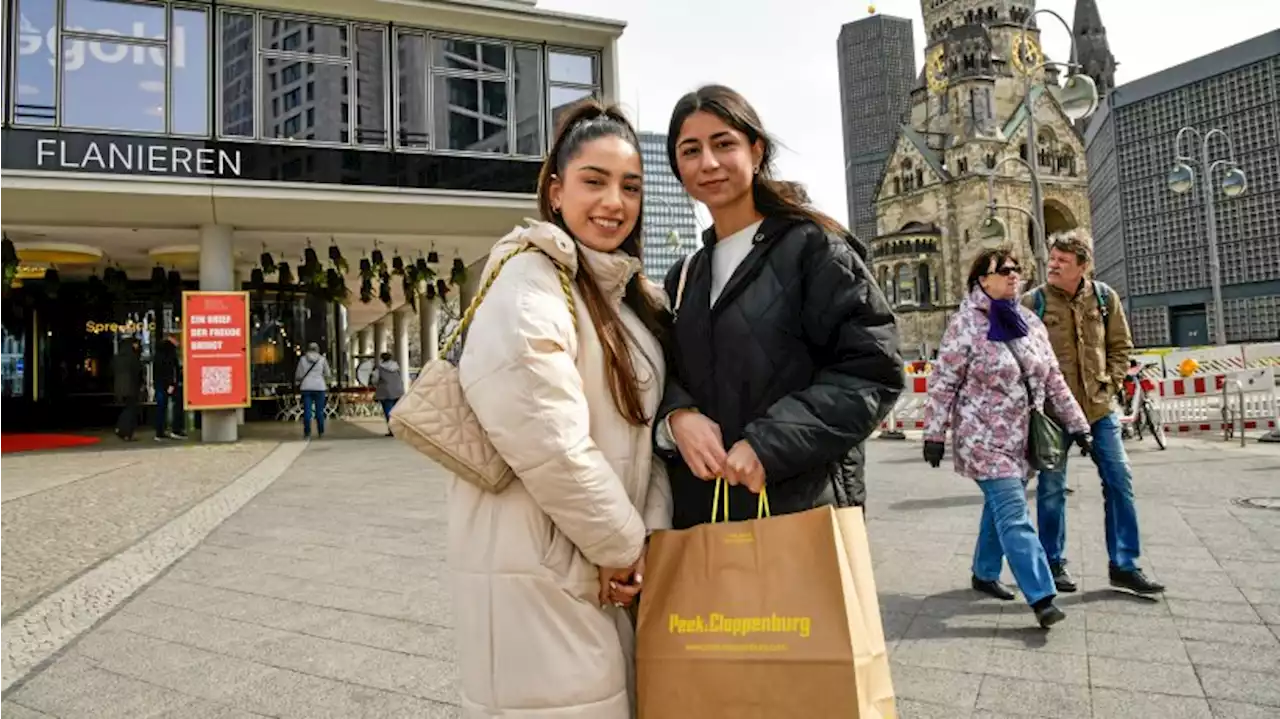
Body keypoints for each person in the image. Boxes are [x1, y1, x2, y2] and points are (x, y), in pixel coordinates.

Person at [452, 100, 672, 718]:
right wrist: (624, 547)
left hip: (599, 566)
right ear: (555, 191)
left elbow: (644, 433)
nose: (614, 202)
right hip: (539, 569)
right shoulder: (529, 282)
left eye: (630, 186)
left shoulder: (621, 294)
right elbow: (549, 439)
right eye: (594, 182)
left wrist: (638, 543)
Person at [655, 84, 902, 529]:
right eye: (690, 150)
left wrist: (769, 444)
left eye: (723, 144)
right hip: (704, 517)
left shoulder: (814, 250)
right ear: (677, 166)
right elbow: (664, 370)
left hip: (800, 511)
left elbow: (873, 371)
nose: (707, 163)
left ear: (756, 149)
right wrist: (678, 416)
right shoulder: (684, 275)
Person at [922, 248, 1092, 628]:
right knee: (1014, 513)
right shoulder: (964, 324)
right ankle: (1042, 596)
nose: (1014, 275)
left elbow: (1053, 379)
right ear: (983, 279)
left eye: (1017, 269)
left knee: (999, 507)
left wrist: (1079, 426)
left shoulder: (1029, 321)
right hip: (981, 436)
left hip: (1022, 437)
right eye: (1005, 270)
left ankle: (984, 572)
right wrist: (934, 433)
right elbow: (942, 384)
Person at [1023, 231, 1165, 595]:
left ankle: (1124, 564)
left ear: (1083, 265)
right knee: (1052, 489)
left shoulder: (1105, 297)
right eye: (1051, 258)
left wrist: (1112, 384)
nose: (1052, 265)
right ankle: (1053, 564)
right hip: (1054, 414)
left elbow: (1120, 346)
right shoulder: (1033, 302)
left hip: (1100, 410)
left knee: (1120, 483)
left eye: (1062, 261)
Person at [153, 333, 186, 440]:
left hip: (159, 383)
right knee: (177, 405)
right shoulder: (169, 352)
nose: (179, 343)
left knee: (161, 408)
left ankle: (160, 432)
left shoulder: (159, 352)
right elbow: (170, 369)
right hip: (168, 384)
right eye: (177, 340)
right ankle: (176, 429)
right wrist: (171, 383)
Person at [295, 342, 331, 440]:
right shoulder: (322, 359)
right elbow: (328, 374)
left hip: (306, 387)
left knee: (307, 411)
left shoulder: (302, 359)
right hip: (319, 387)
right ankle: (321, 432)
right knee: (319, 411)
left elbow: (298, 375)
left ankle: (307, 433)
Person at [114, 337, 144, 441]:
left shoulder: (118, 357)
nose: (137, 346)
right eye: (135, 344)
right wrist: (141, 384)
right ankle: (124, 430)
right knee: (131, 409)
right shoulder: (133, 357)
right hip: (132, 386)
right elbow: (138, 372)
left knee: (127, 408)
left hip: (121, 387)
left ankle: (123, 431)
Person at [370, 351, 404, 437]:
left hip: (386, 391)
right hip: (398, 390)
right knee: (396, 411)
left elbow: (375, 380)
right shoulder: (396, 367)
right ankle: (398, 428)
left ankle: (392, 430)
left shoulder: (380, 369)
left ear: (382, 359)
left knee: (388, 411)